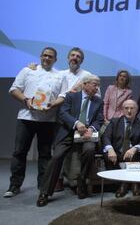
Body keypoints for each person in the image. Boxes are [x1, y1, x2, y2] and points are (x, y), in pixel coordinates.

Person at [4, 47, 64, 198]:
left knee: (45, 155)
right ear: (40, 56)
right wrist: (26, 100)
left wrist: (53, 104)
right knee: (19, 152)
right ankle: (14, 186)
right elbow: (14, 89)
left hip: (48, 120)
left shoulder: (60, 75)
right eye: (44, 55)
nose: (47, 58)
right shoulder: (27, 70)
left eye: (50, 56)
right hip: (26, 118)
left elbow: (62, 96)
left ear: (55, 59)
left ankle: (43, 187)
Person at [36, 75, 104, 206]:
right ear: (85, 84)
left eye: (98, 85)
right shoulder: (71, 97)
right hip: (68, 132)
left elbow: (99, 119)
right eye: (95, 85)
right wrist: (77, 123)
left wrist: (92, 128)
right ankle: (44, 192)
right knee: (57, 156)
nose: (97, 88)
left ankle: (82, 182)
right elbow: (63, 113)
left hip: (86, 135)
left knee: (90, 150)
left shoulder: (98, 101)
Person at [102, 100, 140, 197]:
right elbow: (106, 137)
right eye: (126, 108)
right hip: (117, 153)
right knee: (107, 153)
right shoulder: (115, 121)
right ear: (122, 110)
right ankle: (122, 183)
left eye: (132, 108)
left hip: (133, 154)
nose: (129, 111)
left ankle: (134, 183)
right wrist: (110, 149)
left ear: (136, 110)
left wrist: (134, 148)